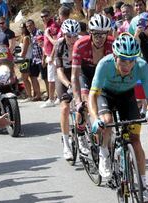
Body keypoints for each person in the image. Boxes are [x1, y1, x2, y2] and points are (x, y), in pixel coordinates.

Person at [88, 32, 148, 202]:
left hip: (127, 96)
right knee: (107, 122)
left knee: (135, 140)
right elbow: (92, 96)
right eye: (123, 60)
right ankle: (104, 151)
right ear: (114, 56)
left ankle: (143, 186)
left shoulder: (141, 66)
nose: (127, 65)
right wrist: (95, 118)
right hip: (106, 94)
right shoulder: (104, 64)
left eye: (131, 60)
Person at [71, 14, 114, 132]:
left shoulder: (112, 44)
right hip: (85, 73)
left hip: (101, 74)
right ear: (90, 33)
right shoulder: (80, 45)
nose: (100, 38)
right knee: (84, 103)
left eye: (103, 34)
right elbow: (74, 76)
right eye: (96, 34)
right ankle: (80, 131)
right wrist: (78, 100)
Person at [54, 19, 83, 160]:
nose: (72, 39)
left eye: (74, 35)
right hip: (64, 74)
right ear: (64, 35)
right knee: (65, 108)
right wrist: (69, 85)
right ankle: (66, 144)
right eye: (69, 36)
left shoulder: (82, 43)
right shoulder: (60, 45)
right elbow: (58, 70)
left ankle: (83, 134)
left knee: (84, 105)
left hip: (78, 72)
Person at [26, 19, 45, 102]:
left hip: (41, 58)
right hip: (34, 59)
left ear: (34, 25)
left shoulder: (39, 32)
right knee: (33, 76)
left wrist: (44, 58)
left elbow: (43, 45)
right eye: (27, 26)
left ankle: (49, 95)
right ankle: (38, 95)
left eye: (30, 25)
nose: (29, 27)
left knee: (45, 78)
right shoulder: (30, 34)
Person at [17, 22, 34, 102]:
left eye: (23, 27)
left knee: (25, 78)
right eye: (20, 27)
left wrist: (18, 60)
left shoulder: (26, 38)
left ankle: (29, 96)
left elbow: (24, 51)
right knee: (25, 78)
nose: (21, 29)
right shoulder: (22, 37)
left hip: (26, 60)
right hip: (24, 60)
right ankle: (30, 95)